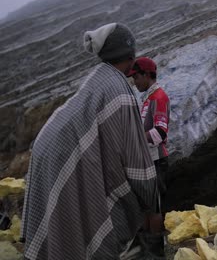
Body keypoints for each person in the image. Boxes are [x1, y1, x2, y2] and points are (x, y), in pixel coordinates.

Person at [20, 23, 159, 260]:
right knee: (90, 218)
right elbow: (136, 162)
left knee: (65, 222)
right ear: (130, 55)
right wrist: (152, 203)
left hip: (47, 150)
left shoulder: (98, 79)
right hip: (60, 154)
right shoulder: (120, 91)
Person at [126, 57, 170, 259]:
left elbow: (161, 132)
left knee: (154, 207)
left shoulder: (159, 97)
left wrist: (134, 137)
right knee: (145, 206)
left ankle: (156, 252)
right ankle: (146, 249)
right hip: (146, 161)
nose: (134, 82)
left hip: (156, 161)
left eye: (136, 77)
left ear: (146, 74)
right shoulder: (147, 98)